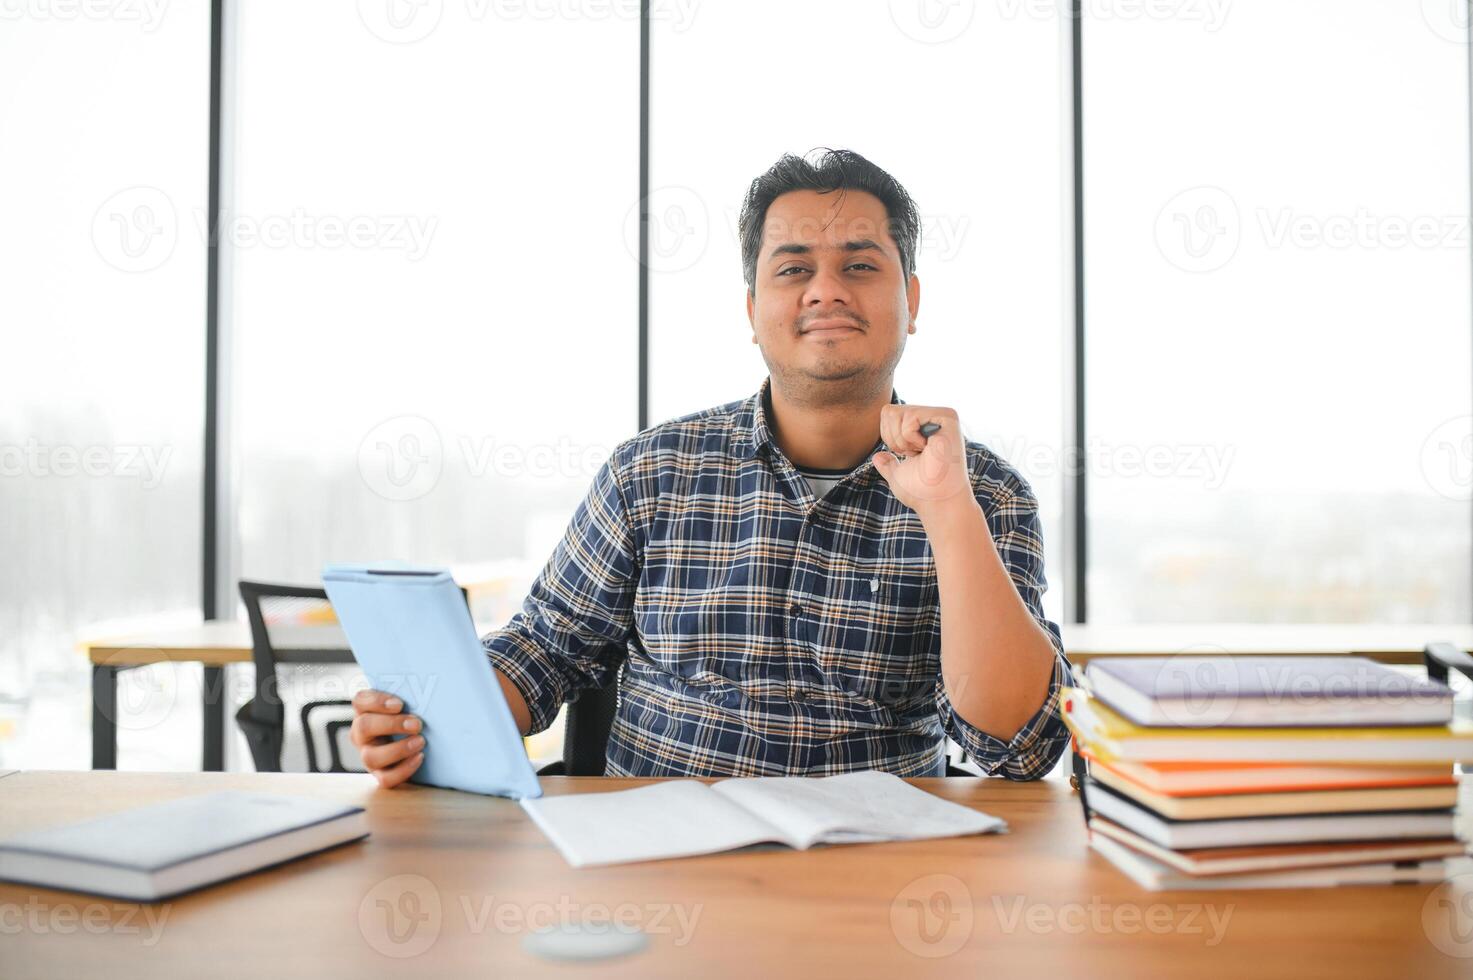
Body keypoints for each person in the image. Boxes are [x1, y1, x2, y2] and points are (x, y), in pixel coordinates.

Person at [351, 148, 1074, 786]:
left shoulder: (984, 491)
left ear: (909, 300)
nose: (825, 290)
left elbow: (1020, 748)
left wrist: (948, 511)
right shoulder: (652, 471)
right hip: (663, 873)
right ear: (754, 308)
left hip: (878, 884)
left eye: (859, 265)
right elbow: (546, 647)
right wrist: (423, 719)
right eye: (794, 269)